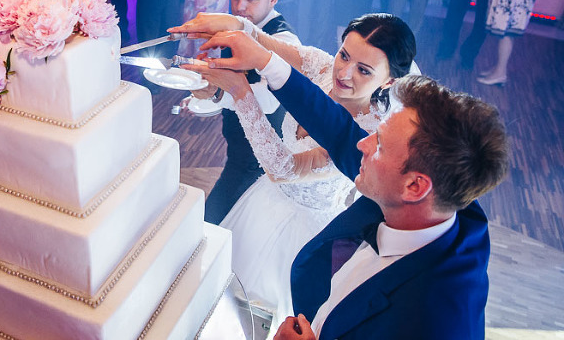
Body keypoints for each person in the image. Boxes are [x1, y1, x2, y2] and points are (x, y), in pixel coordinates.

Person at [189, 31, 508, 340]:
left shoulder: (436, 320)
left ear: (415, 187)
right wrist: (260, 57)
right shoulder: (439, 195)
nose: (362, 144)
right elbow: (341, 132)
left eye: (379, 144)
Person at [178, 13, 414, 331]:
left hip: (302, 233)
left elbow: (285, 169)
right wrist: (232, 24)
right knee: (217, 296)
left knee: (254, 320)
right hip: (262, 201)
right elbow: (263, 43)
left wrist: (239, 92)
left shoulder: (369, 134)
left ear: (389, 81)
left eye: (364, 70)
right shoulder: (322, 66)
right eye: (344, 55)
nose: (344, 72)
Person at [171, 0, 299, 224]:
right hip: (238, 150)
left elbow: (270, 101)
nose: (240, 7)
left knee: (212, 224)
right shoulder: (235, 25)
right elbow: (228, 83)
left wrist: (216, 93)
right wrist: (201, 95)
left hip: (259, 161)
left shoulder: (284, 40)